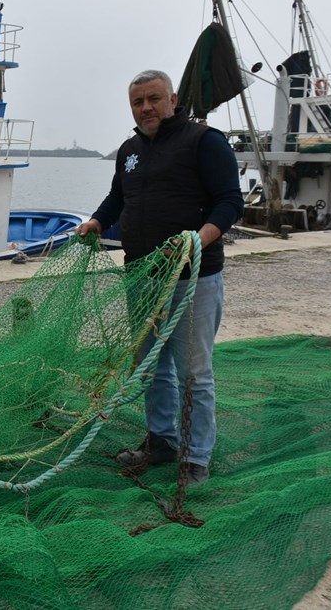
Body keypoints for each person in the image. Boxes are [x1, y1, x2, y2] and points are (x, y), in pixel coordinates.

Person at [77, 70, 244, 486]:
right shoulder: (129, 150)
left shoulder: (204, 141)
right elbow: (119, 198)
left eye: (153, 99)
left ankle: (197, 456)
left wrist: (198, 240)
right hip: (141, 277)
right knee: (151, 368)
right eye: (138, 102)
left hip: (193, 279)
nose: (146, 107)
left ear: (172, 99)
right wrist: (97, 221)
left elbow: (230, 202)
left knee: (194, 372)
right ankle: (163, 440)